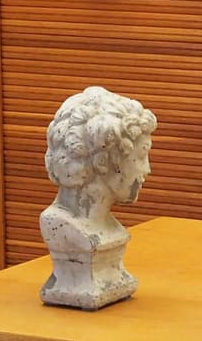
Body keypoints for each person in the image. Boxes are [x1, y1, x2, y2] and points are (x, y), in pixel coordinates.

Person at [39, 85, 157, 309]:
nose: (147, 169)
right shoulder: (62, 226)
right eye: (141, 156)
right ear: (103, 163)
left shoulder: (106, 228)